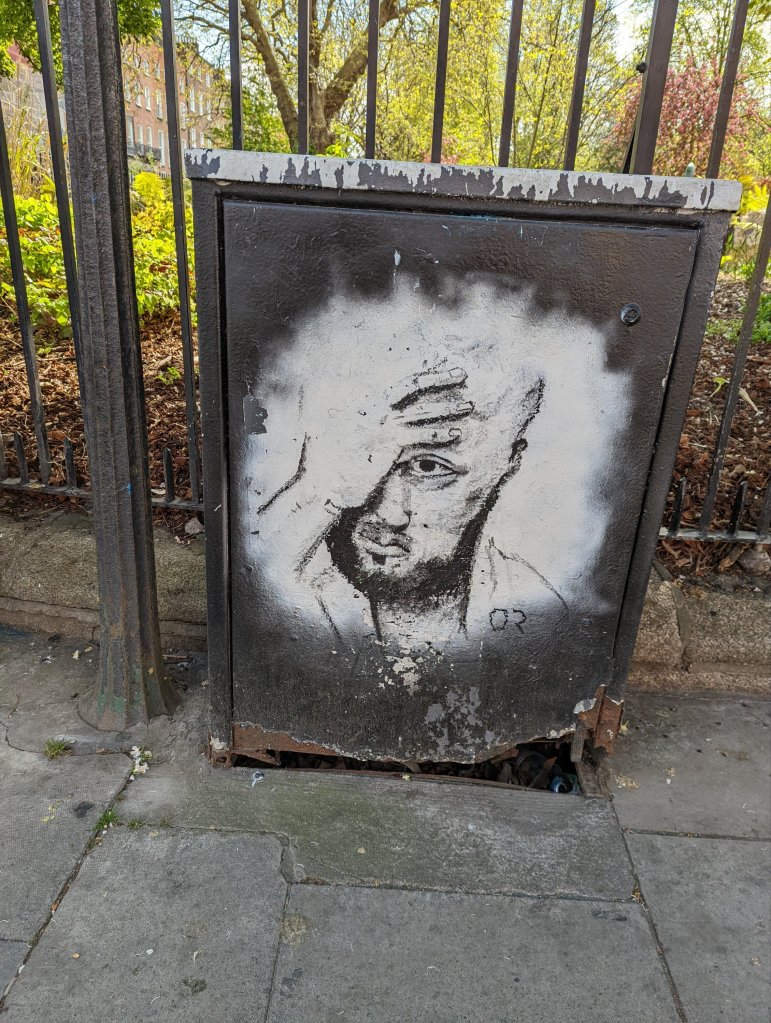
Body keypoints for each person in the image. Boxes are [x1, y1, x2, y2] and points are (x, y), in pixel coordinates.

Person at [249, 279, 569, 656]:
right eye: (367, 456)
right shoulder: (286, 578)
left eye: (429, 466)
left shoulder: (533, 613)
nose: (389, 512)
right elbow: (245, 584)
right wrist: (316, 492)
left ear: (506, 466)